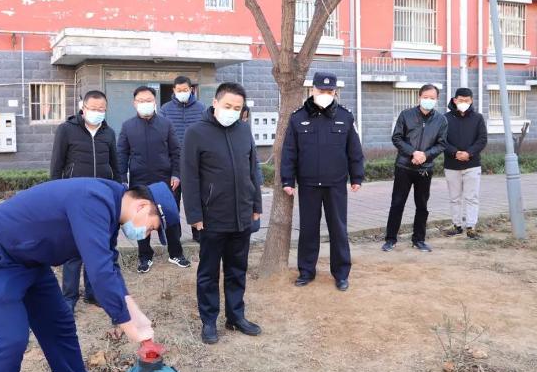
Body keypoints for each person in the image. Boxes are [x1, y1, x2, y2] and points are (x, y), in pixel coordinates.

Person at [0, 179, 179, 372]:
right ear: (142, 206)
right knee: (11, 341)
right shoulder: (94, 200)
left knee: (60, 327)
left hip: (31, 261)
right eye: (152, 227)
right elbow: (100, 272)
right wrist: (127, 324)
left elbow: (109, 264)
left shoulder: (113, 206)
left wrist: (135, 312)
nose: (146, 234)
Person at [182, 82, 263, 344]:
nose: (232, 111)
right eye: (228, 106)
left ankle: (235, 316)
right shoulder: (196, 133)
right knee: (208, 272)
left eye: (237, 108)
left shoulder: (243, 131)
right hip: (211, 218)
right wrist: (194, 215)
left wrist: (256, 207)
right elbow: (190, 177)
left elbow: (253, 172)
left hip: (241, 215)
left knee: (237, 269)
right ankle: (208, 321)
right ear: (215, 103)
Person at [280, 72, 365, 291]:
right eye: (321, 91)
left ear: (335, 92)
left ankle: (341, 273)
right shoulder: (298, 117)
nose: (325, 94)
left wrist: (357, 176)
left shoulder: (345, 117)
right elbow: (289, 151)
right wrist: (287, 180)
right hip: (308, 185)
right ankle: (306, 271)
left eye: (329, 91)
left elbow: (354, 149)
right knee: (308, 230)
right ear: (312, 90)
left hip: (336, 184)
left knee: (339, 230)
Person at [50, 90, 122, 310]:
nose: (97, 113)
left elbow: (115, 166)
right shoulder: (66, 130)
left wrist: (118, 192)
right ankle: (69, 298)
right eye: (93, 108)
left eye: (102, 109)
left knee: (97, 249)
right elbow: (56, 166)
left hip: (101, 200)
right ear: (83, 108)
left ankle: (93, 293)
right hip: (74, 201)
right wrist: (56, 196)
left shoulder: (108, 133)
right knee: (74, 252)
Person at [117, 85, 190, 272]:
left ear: (154, 102)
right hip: (139, 181)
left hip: (165, 180)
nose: (145, 104)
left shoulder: (166, 124)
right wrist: (122, 179)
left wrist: (176, 174)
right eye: (141, 101)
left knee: (171, 217)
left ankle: (176, 253)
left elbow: (176, 152)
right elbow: (122, 155)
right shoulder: (127, 126)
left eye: (148, 100)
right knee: (141, 219)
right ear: (134, 104)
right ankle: (145, 256)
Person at [382, 84, 448, 253]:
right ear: (419, 97)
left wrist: (425, 155)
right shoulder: (406, 115)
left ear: (437, 99)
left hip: (425, 168)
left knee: (422, 205)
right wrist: (413, 152)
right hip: (404, 166)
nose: (429, 100)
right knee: (397, 203)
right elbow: (396, 138)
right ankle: (390, 239)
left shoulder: (441, 120)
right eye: (426, 97)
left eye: (432, 98)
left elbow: (441, 144)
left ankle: (418, 239)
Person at [160, 75, 206, 243]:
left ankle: (198, 233)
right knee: (173, 201)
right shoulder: (165, 109)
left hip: (196, 162)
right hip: (174, 163)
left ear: (191, 89)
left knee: (196, 199)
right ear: (174, 90)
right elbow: (161, 135)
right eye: (179, 90)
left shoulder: (202, 108)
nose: (182, 93)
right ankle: (175, 236)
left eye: (185, 90)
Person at [443, 88, 488, 240]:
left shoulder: (478, 118)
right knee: (454, 197)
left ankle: (471, 227)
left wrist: (469, 153)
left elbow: (482, 139)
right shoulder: (445, 118)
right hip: (451, 164)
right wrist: (455, 153)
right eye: (461, 100)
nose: (464, 103)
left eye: (467, 100)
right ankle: (456, 225)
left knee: (472, 197)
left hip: (472, 164)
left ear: (472, 101)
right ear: (454, 100)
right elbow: (442, 141)